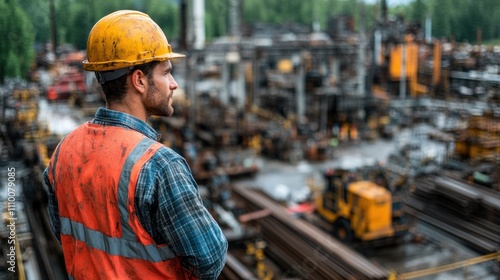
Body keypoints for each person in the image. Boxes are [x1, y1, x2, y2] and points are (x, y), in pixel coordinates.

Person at [43, 10, 228, 280]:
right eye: (166, 73)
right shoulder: (160, 166)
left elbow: (63, 233)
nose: (174, 84)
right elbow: (209, 259)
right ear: (139, 80)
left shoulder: (64, 151)